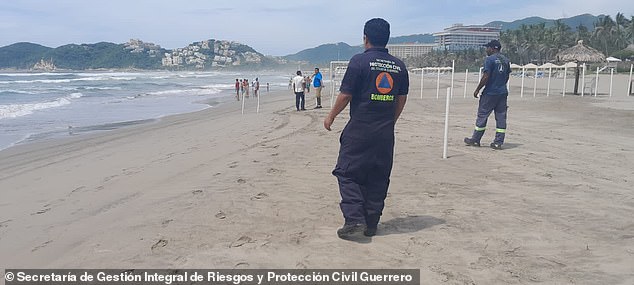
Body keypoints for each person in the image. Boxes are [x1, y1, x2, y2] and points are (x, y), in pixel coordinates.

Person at [323, 18, 409, 240]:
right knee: (378, 176)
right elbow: (401, 99)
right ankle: (371, 223)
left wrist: (331, 116)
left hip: (360, 129)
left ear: (365, 38)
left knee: (347, 172)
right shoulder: (399, 66)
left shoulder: (359, 62)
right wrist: (391, 121)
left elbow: (346, 95)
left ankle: (354, 220)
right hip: (385, 132)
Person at [464, 39, 511, 150]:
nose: (486, 50)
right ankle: (498, 142)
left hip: (490, 93)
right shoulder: (506, 60)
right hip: (502, 92)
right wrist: (501, 85)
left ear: (493, 48)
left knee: (482, 115)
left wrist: (477, 89)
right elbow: (507, 76)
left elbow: (486, 76)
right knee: (501, 117)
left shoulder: (489, 60)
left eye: (488, 47)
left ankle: (476, 139)